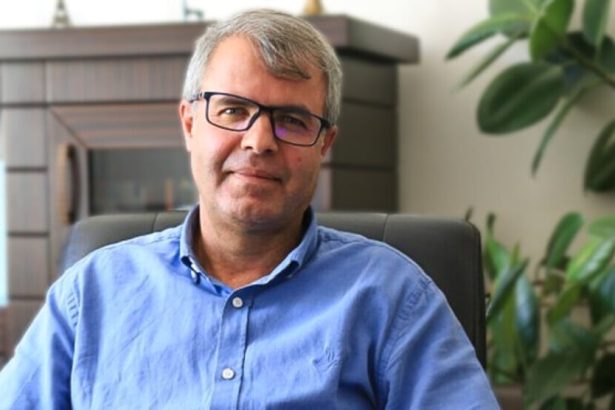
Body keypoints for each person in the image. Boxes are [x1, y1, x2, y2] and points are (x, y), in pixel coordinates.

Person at [0, 9, 499, 409]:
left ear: (325, 144)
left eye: (292, 120)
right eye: (234, 110)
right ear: (190, 124)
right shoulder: (90, 295)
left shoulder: (394, 297)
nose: (259, 141)